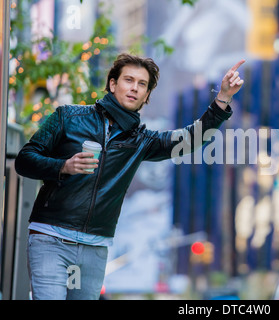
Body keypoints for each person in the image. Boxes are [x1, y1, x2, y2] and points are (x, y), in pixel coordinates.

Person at [15, 53, 245, 300]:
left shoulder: (142, 141)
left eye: (142, 84)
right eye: (128, 80)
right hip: (51, 237)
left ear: (146, 95)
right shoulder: (67, 117)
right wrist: (64, 166)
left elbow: (191, 138)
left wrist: (222, 98)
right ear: (113, 84)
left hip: (95, 245)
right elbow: (24, 160)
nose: (135, 87)